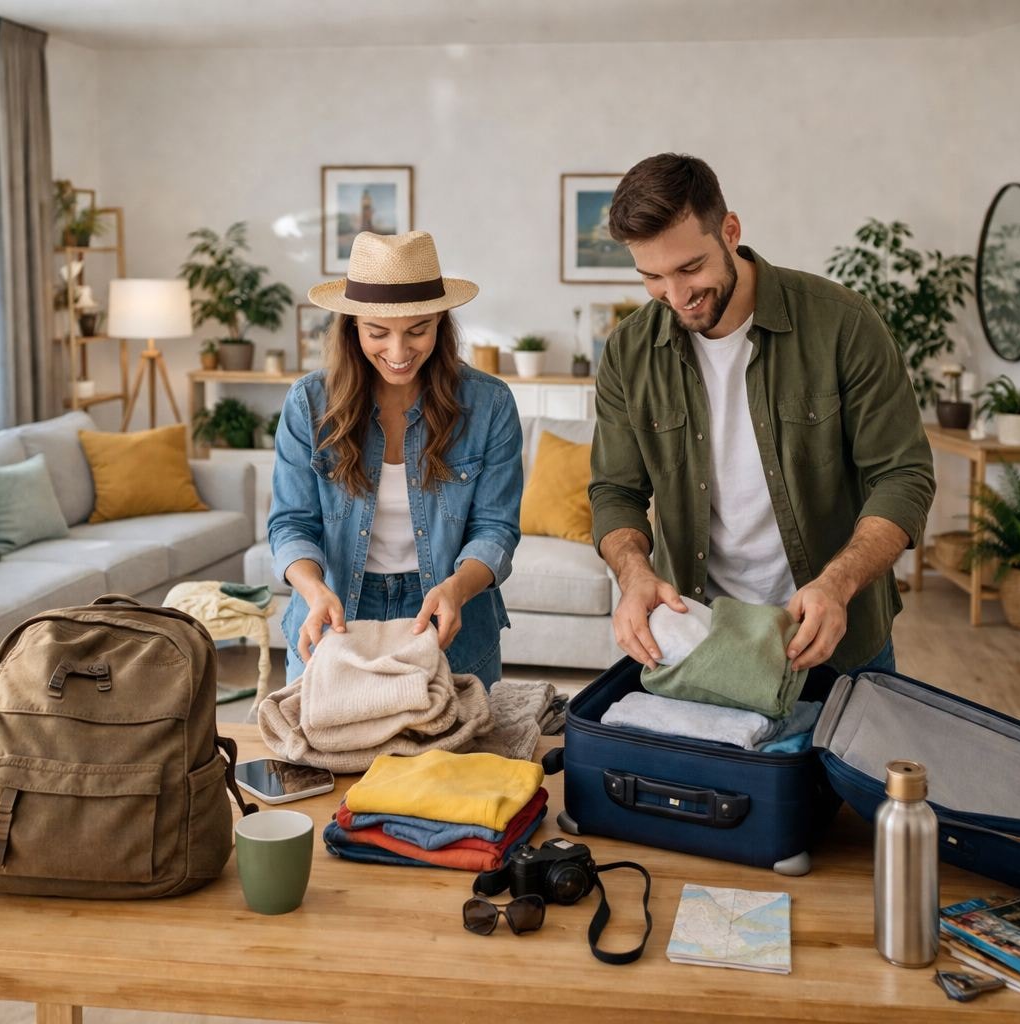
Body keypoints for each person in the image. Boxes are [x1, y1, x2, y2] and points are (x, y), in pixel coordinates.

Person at [589, 153, 934, 675]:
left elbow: (903, 475)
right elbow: (616, 490)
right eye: (653, 277)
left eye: (690, 268)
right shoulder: (627, 352)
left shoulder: (843, 325)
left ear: (730, 231)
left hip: (835, 639)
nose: (676, 296)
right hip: (701, 640)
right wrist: (634, 574)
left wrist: (837, 585)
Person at [268, 230, 521, 686]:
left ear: (441, 322)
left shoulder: (490, 404)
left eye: (418, 331)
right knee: (320, 755)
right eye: (378, 333)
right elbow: (290, 524)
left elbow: (496, 529)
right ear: (352, 326)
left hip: (449, 616)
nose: (399, 353)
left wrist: (456, 589)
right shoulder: (309, 403)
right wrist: (314, 590)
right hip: (337, 610)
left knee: (454, 758)